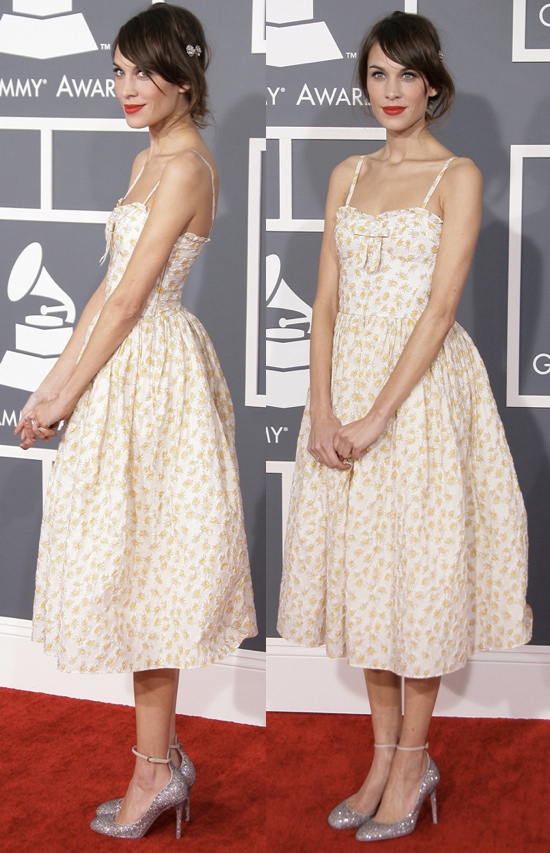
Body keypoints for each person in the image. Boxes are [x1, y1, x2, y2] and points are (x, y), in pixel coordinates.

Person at [277, 10, 532, 843]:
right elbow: (323, 303)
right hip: (341, 398)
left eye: (407, 76)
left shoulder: (455, 176)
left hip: (418, 403)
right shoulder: (347, 173)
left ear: (433, 85)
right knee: (369, 586)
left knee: (415, 586)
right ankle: (383, 756)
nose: (391, 91)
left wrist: (378, 415)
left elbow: (441, 308)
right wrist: (320, 406)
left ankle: (416, 758)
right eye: (378, 75)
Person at [15, 3, 257, 841]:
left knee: (150, 576)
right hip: (125, 372)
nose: (124, 88)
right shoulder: (147, 154)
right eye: (118, 72)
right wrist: (51, 383)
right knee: (125, 570)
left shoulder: (188, 165)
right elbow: (103, 290)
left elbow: (130, 301)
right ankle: (163, 759)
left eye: (140, 72)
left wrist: (69, 395)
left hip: (155, 379)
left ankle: (154, 771)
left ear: (183, 78)